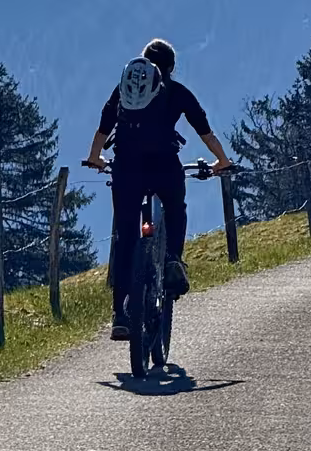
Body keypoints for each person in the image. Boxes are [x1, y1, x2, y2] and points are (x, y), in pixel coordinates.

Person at [85, 37, 232, 340]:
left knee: (126, 235)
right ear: (171, 67)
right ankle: (173, 260)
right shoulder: (177, 92)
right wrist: (222, 161)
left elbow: (103, 125)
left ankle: (121, 316)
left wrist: (95, 157)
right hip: (165, 167)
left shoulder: (124, 91)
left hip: (127, 169)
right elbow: (204, 129)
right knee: (176, 209)